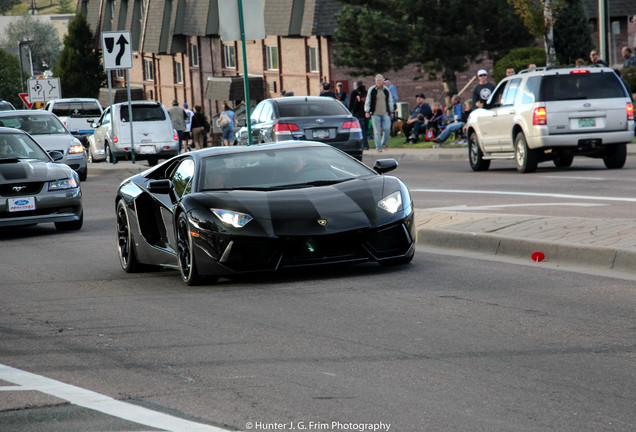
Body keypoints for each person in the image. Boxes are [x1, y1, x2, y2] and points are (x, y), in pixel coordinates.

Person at [364, 74, 394, 152]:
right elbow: (368, 100)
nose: (378, 82)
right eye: (377, 80)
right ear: (375, 81)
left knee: (387, 129)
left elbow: (390, 100)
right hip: (375, 114)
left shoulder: (386, 90)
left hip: (385, 113)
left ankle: (384, 143)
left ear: (383, 81)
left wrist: (391, 111)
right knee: (377, 131)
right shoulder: (372, 90)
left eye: (380, 80)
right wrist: (367, 110)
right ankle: (378, 147)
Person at [348, 81, 369, 150]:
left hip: (358, 115)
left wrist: (350, 111)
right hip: (366, 114)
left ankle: (365, 144)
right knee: (365, 130)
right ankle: (366, 144)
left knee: (361, 131)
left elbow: (353, 105)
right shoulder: (367, 93)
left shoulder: (356, 94)